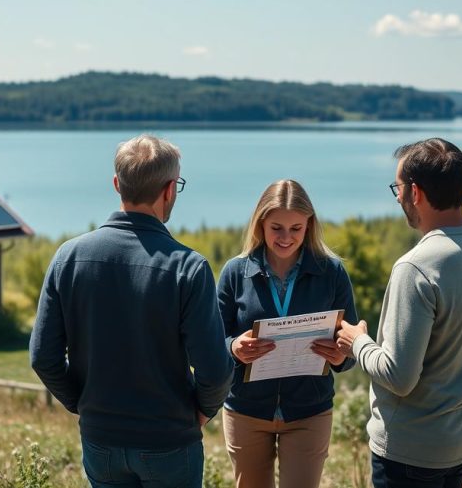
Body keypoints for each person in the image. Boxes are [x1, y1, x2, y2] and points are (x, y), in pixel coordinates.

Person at [30, 133, 233, 488]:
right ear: (170, 190)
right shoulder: (188, 267)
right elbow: (215, 371)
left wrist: (83, 404)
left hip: (100, 440)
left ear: (116, 184)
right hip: (170, 440)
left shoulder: (69, 257)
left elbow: (42, 357)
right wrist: (202, 411)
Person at [336, 138, 462, 488]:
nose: (398, 197)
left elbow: (399, 377)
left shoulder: (416, 267)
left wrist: (358, 342)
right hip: (461, 441)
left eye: (397, 188)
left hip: (408, 451)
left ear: (414, 192)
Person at [217, 179, 358, 488]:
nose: (285, 237)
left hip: (309, 412)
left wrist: (340, 357)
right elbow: (213, 341)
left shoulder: (332, 273)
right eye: (276, 227)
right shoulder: (234, 273)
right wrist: (233, 348)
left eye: (296, 228)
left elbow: (351, 346)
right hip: (246, 412)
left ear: (309, 226)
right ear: (260, 224)